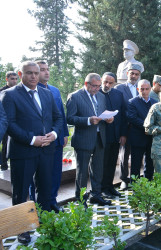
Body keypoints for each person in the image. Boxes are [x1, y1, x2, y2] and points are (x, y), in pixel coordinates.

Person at [0, 61, 62, 244]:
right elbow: (9, 123)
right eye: (29, 73)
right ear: (20, 74)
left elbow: (58, 117)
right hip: (23, 151)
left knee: (44, 187)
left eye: (36, 73)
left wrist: (55, 133)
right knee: (20, 191)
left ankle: (44, 221)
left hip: (46, 150)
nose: (34, 76)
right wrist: (31, 139)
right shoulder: (9, 95)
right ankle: (22, 228)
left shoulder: (47, 93)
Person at [66, 73, 114, 206]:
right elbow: (69, 118)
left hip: (100, 137)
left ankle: (96, 195)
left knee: (98, 169)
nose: (97, 89)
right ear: (86, 84)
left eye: (99, 86)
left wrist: (109, 119)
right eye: (94, 86)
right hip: (83, 139)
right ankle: (81, 199)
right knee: (82, 172)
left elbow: (102, 114)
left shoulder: (101, 96)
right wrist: (88, 120)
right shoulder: (74, 96)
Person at [35, 60, 69, 213]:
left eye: (47, 69)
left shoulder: (55, 90)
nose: (46, 72)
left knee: (56, 172)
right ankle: (41, 205)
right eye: (42, 70)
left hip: (56, 137)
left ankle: (53, 201)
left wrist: (65, 133)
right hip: (41, 140)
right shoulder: (34, 90)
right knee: (43, 175)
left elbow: (60, 114)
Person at [99, 72, 127, 198]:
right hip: (101, 135)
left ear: (114, 83)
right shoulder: (97, 93)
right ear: (101, 80)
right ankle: (102, 188)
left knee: (112, 163)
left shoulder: (118, 94)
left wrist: (123, 134)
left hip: (115, 135)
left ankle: (110, 186)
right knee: (103, 163)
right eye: (105, 81)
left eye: (110, 83)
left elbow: (122, 115)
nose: (107, 85)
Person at [114, 64, 142, 190]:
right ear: (127, 74)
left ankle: (135, 179)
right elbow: (118, 110)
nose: (134, 76)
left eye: (136, 74)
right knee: (124, 154)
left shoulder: (142, 88)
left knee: (137, 155)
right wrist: (122, 132)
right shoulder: (119, 88)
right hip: (125, 127)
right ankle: (124, 179)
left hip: (139, 128)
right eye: (132, 73)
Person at [128, 80, 157, 181]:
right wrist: (148, 126)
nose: (144, 91)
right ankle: (135, 186)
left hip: (151, 137)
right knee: (136, 164)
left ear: (150, 89)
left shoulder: (155, 103)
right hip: (138, 137)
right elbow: (133, 118)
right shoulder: (132, 102)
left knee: (150, 163)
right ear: (137, 89)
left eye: (146, 89)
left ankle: (148, 183)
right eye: (141, 89)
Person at [0, 71, 18, 171]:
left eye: (16, 79)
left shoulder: (18, 91)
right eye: (12, 79)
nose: (14, 81)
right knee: (5, 143)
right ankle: (3, 165)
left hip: (16, 121)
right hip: (4, 122)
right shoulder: (1, 91)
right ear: (7, 79)